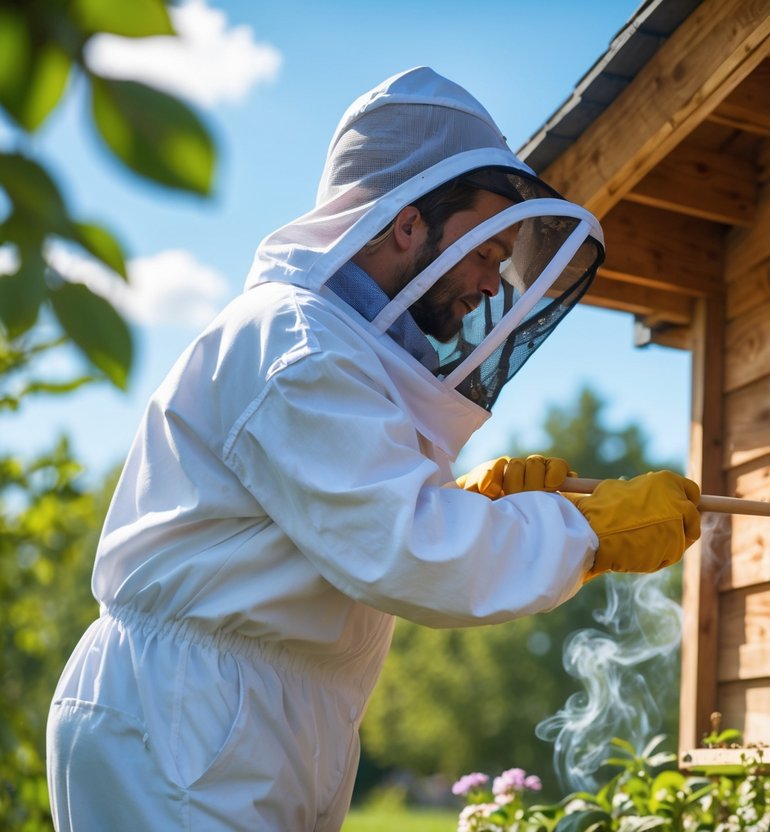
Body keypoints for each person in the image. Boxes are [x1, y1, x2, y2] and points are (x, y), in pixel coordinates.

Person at [45, 67, 700, 830]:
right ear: (406, 223)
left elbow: (346, 522)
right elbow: (404, 549)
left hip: (256, 712)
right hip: (185, 720)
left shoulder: (343, 353)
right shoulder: (295, 342)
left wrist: (467, 503)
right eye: (486, 250)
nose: (494, 284)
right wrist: (586, 532)